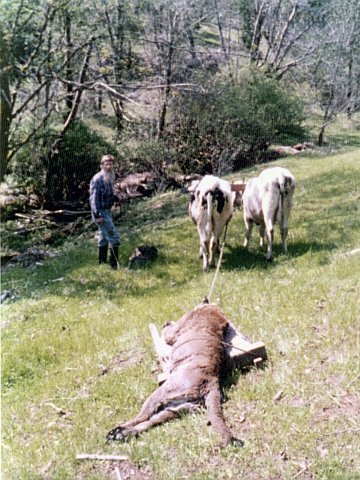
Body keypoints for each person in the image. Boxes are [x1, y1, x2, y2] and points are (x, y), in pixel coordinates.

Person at [89, 154, 120, 269]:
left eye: (111, 164)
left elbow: (107, 194)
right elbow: (94, 199)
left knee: (103, 236)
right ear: (101, 165)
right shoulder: (97, 179)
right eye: (106, 164)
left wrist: (115, 198)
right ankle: (114, 265)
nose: (109, 166)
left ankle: (101, 262)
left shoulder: (110, 176)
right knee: (114, 236)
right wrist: (97, 215)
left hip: (107, 210)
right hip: (100, 212)